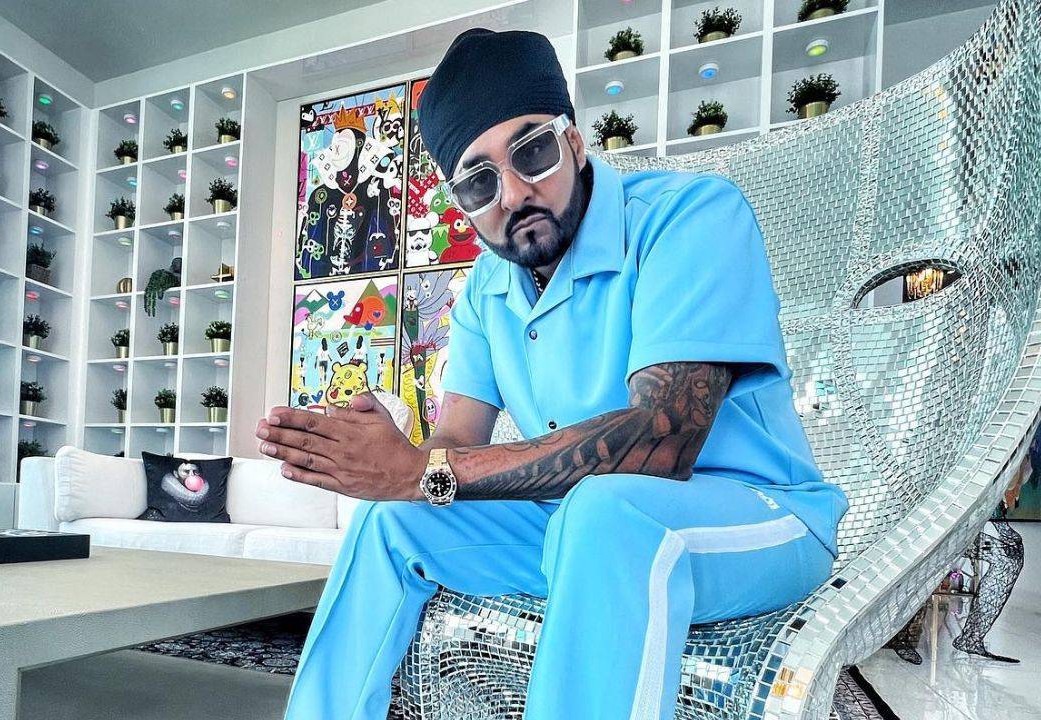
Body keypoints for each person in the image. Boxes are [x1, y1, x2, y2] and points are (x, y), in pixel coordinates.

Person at [257, 28, 850, 720]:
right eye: (479, 182)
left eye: (532, 150)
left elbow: (664, 439)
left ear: (574, 141)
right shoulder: (484, 291)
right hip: (572, 524)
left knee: (606, 514)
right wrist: (389, 457)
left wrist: (422, 472)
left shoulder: (689, 217)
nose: (513, 193)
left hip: (762, 515)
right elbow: (454, 446)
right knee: (391, 520)